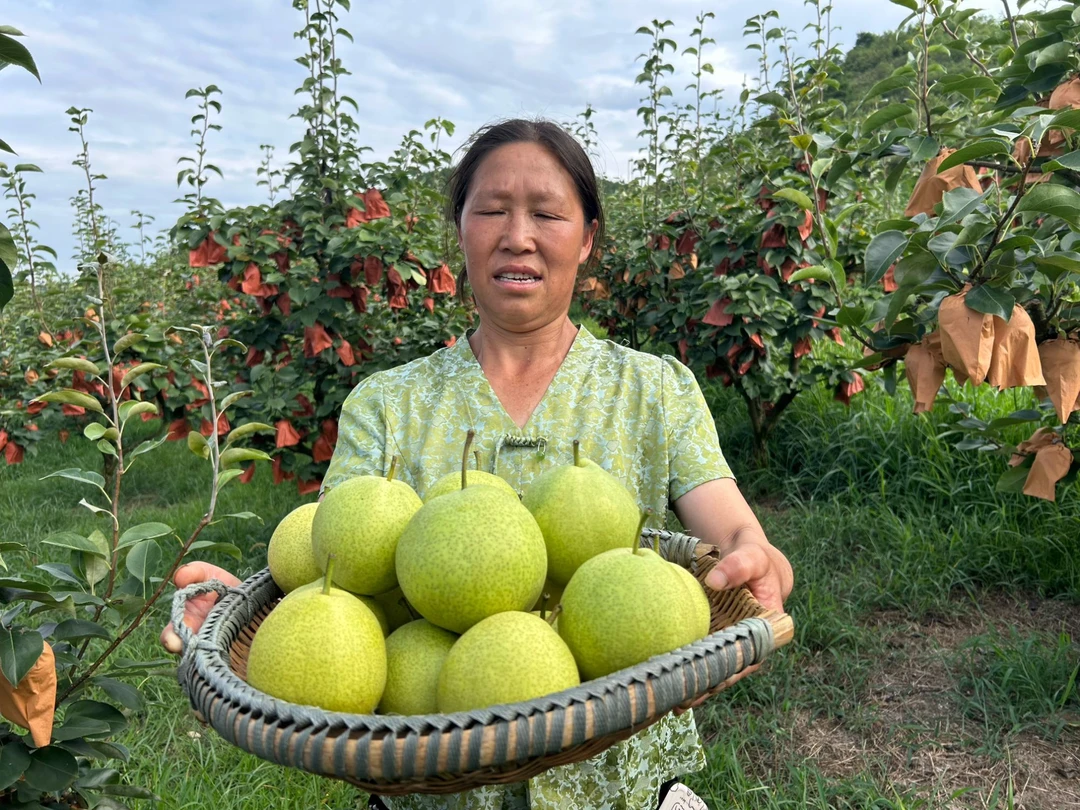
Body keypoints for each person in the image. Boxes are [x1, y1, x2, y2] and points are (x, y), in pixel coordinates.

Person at [162, 118, 793, 810]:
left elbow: (733, 532)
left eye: (547, 213)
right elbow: (334, 570)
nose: (517, 234)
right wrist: (250, 607)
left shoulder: (654, 390)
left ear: (587, 239)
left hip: (620, 785)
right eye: (491, 210)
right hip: (429, 784)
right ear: (459, 231)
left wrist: (753, 557)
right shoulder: (387, 404)